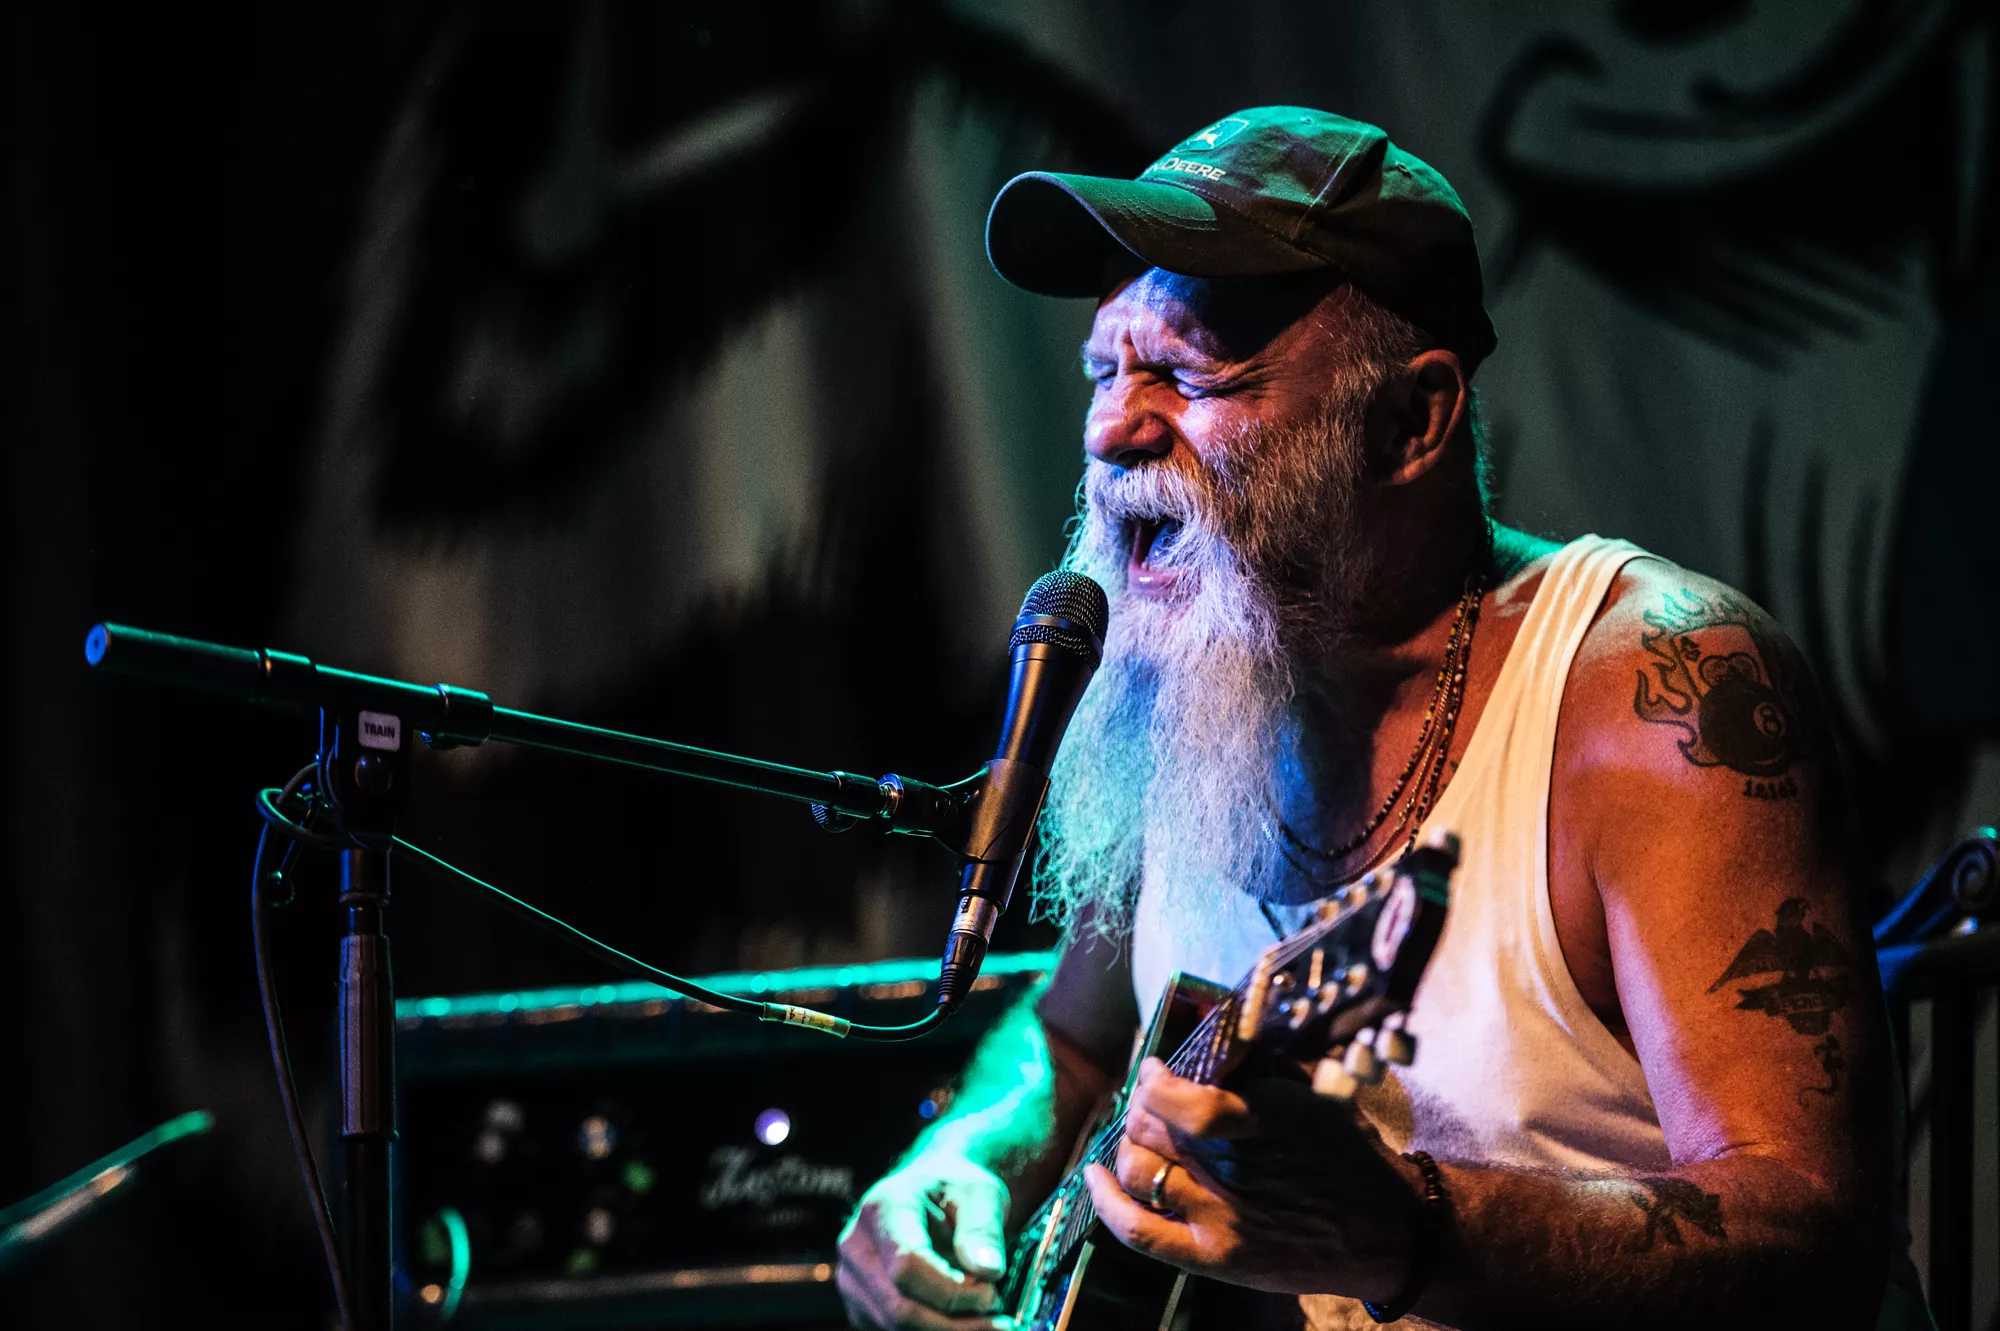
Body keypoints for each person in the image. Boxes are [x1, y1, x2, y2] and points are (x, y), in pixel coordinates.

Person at [836, 107, 1921, 1330]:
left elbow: (1813, 1241)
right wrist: (966, 1158)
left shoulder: (1653, 692)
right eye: (1104, 371)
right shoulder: (1185, 683)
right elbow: (1076, 1040)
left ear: (1410, 421)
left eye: (1187, 375)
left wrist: (1406, 1230)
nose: (1109, 430)